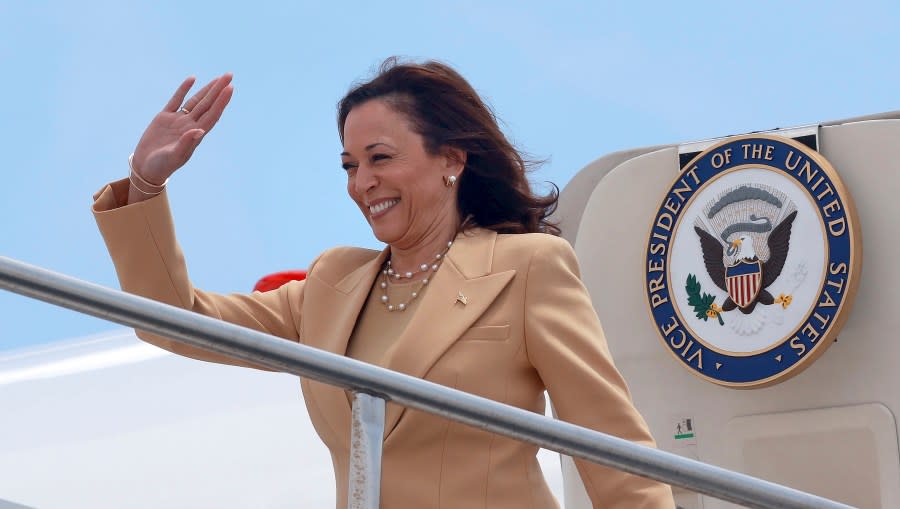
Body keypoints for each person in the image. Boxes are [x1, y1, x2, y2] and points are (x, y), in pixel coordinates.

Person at [93, 59, 675, 508]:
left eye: (380, 158)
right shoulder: (331, 284)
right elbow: (174, 322)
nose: (362, 182)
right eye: (349, 165)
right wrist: (146, 184)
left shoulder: (528, 267)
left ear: (452, 159)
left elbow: (613, 451)